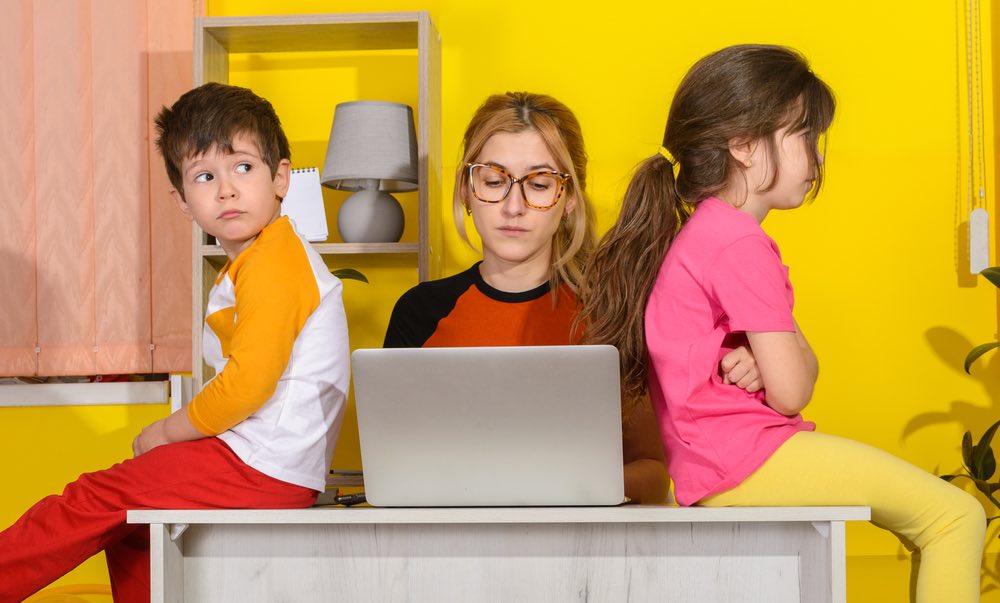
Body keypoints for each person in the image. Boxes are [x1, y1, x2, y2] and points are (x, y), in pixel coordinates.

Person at [579, 44, 986, 601]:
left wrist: (764, 357)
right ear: (744, 146)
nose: (816, 158)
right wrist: (778, 365)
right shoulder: (740, 242)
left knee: (940, 517)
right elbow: (795, 389)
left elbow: (797, 372)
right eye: (804, 136)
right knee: (954, 517)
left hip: (716, 463)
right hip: (744, 460)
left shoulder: (704, 234)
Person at [0, 82, 351, 603]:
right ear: (183, 202)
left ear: (280, 178)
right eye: (205, 176)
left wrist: (167, 431)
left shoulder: (275, 261)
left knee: (92, 498)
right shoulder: (257, 261)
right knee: (135, 526)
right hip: (263, 459)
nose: (226, 190)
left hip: (263, 463)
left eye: (243, 168)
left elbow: (248, 385)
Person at [386, 91, 687, 503]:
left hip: (581, 554)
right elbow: (393, 469)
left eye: (540, 184)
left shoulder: (609, 314)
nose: (514, 206)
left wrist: (562, 486)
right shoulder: (419, 313)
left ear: (569, 200)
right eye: (493, 181)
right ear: (466, 190)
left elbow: (653, 474)